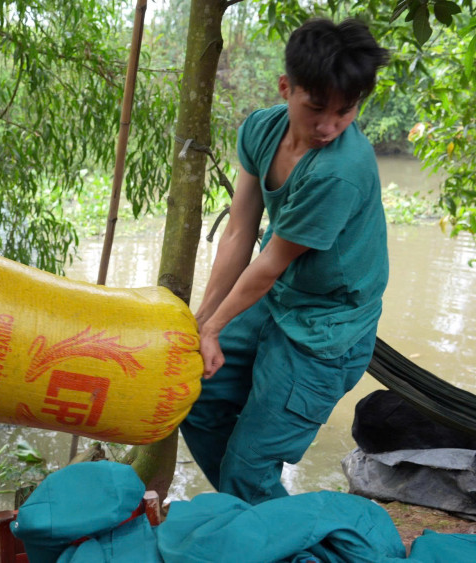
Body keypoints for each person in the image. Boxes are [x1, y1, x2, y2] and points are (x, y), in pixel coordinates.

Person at [180, 18, 391, 505]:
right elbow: (238, 232)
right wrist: (203, 322)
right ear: (286, 88)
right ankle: (255, 518)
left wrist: (213, 327)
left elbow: (268, 263)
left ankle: (275, 532)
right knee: (197, 399)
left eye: (346, 111)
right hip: (277, 296)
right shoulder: (262, 129)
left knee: (248, 467)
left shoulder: (340, 171)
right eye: (316, 108)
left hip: (327, 325)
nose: (329, 127)